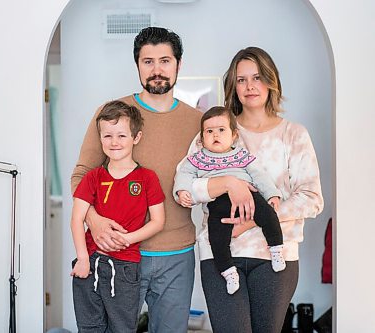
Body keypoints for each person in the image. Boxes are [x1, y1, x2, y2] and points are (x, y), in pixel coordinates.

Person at [71, 27, 202, 333]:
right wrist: (95, 219)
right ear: (138, 66)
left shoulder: (197, 121)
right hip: (116, 254)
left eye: (165, 61)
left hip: (177, 255)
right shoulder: (112, 115)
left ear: (179, 65)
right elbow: (81, 175)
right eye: (148, 61)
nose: (157, 70)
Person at [186, 47, 324, 332]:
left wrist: (251, 221)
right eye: (241, 79)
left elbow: (311, 198)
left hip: (274, 256)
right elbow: (188, 187)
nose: (250, 86)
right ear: (232, 86)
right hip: (220, 253)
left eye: (257, 77)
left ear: (271, 81)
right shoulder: (214, 130)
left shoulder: (293, 134)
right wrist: (227, 183)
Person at [70, 100, 165, 333]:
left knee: (122, 328)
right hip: (90, 264)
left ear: (136, 137)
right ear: (100, 138)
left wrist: (128, 238)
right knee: (90, 327)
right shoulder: (92, 178)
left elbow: (158, 221)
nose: (114, 142)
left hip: (125, 269)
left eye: (121, 136)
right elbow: (77, 219)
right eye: (107, 136)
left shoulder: (147, 178)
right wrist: (82, 258)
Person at [173, 106, 285, 295]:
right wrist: (182, 189)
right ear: (201, 138)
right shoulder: (197, 159)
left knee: (268, 214)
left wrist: (272, 194)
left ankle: (276, 248)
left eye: (221, 130)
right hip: (218, 204)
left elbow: (259, 176)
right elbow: (184, 174)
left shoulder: (242, 155)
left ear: (234, 135)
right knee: (216, 236)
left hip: (250, 198)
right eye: (209, 131)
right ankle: (227, 270)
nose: (215, 135)